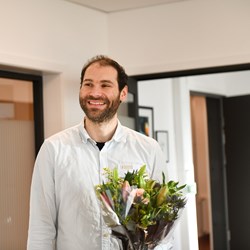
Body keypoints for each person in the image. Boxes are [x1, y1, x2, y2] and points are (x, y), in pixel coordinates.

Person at [27, 55, 171, 250]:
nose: (95, 93)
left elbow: (162, 228)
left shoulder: (148, 149)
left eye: (105, 85)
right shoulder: (53, 149)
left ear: (122, 93)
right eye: (88, 84)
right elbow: (41, 228)